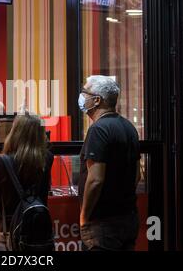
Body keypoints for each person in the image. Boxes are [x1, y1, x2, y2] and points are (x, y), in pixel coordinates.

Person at [78, 75, 141, 251]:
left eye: (85, 92)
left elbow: (96, 179)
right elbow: (137, 174)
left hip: (103, 223)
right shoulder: (129, 127)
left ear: (96, 100)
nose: (82, 96)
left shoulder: (98, 129)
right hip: (128, 217)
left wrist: (84, 215)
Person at [0, 114, 54, 251]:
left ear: (15, 133)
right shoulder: (47, 158)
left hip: (7, 228)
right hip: (37, 225)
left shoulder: (2, 162)